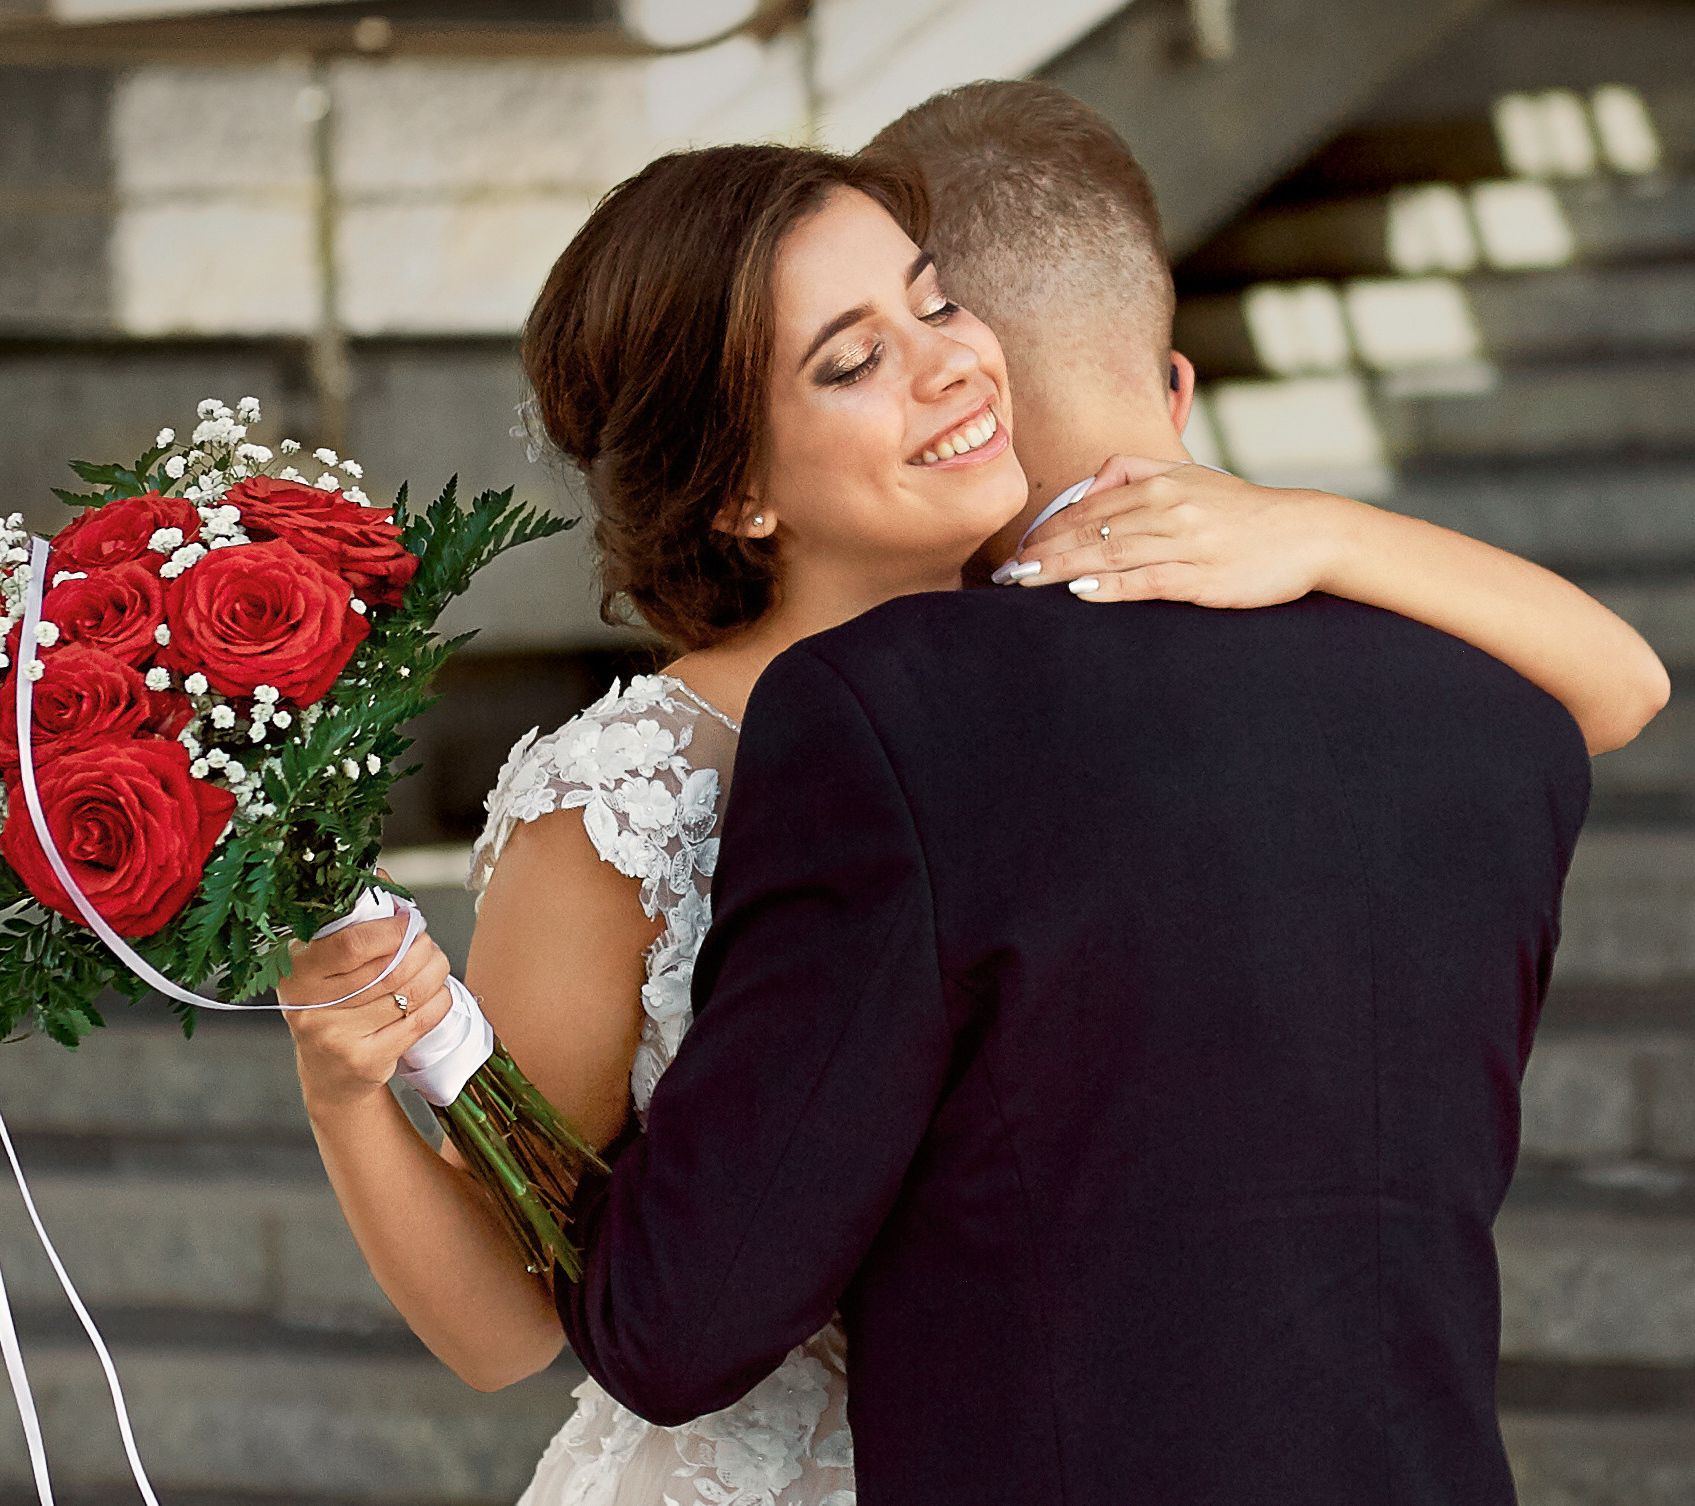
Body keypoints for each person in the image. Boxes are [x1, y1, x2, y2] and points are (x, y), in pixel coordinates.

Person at [276, 127, 1667, 1506]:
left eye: (938, 301)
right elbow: (512, 1320)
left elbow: (1613, 683)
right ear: (738, 489)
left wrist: (1315, 528)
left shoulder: (1079, 697)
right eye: (852, 357)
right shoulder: (621, 797)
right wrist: (347, 1092)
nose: (950, 359)